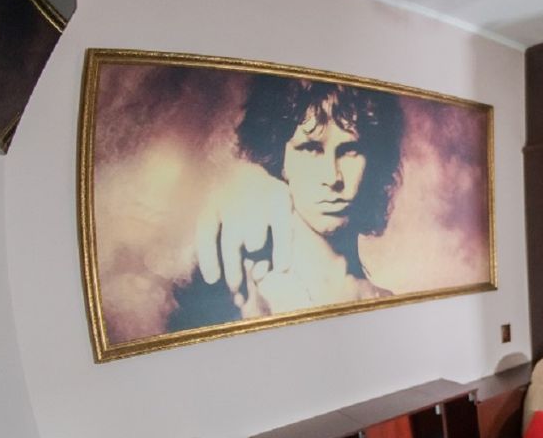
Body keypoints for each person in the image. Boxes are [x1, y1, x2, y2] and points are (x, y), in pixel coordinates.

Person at [168, 77, 404, 331]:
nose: (332, 177)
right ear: (278, 158)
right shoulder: (244, 282)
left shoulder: (384, 303)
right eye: (310, 148)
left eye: (350, 150)